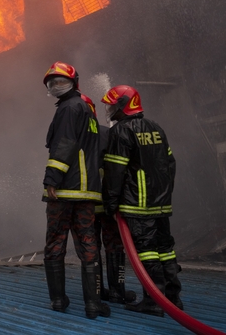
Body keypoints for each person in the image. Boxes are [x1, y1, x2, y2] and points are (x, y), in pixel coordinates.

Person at [102, 85, 180, 317]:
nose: (109, 110)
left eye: (112, 105)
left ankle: (154, 301)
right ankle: (173, 298)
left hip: (137, 204)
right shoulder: (156, 128)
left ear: (123, 105)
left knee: (146, 251)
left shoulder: (121, 131)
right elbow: (170, 164)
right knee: (165, 248)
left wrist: (110, 204)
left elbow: (115, 172)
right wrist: (164, 192)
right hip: (160, 203)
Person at [40, 62, 109, 319]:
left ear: (74, 82)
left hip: (65, 190)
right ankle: (93, 304)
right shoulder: (87, 111)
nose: (56, 86)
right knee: (88, 243)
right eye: (52, 83)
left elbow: (64, 144)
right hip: (86, 193)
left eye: (61, 81)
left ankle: (58, 301)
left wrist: (52, 179)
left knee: (55, 241)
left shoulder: (69, 108)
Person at [83, 94, 136, 305]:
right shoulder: (108, 133)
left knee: (91, 247)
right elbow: (118, 167)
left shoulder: (72, 135)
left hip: (85, 203)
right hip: (108, 201)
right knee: (114, 245)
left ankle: (96, 291)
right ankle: (117, 291)